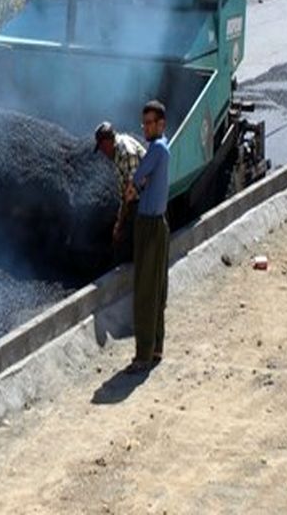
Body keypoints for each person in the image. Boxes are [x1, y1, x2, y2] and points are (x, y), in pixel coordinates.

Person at [124, 100, 171, 372]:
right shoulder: (163, 148)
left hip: (149, 225)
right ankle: (156, 347)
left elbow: (137, 178)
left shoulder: (155, 149)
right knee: (157, 289)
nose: (146, 127)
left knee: (144, 290)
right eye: (144, 123)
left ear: (162, 124)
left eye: (151, 123)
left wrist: (131, 189)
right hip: (159, 223)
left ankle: (142, 355)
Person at [94, 121, 146, 264]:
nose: (103, 154)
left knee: (128, 237)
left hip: (148, 197)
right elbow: (125, 193)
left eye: (102, 148)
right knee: (122, 237)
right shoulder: (116, 154)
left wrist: (121, 222)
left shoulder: (126, 151)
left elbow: (131, 190)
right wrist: (119, 221)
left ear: (107, 142)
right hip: (136, 197)